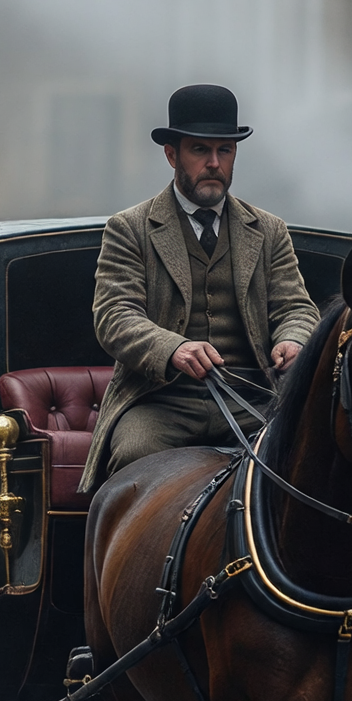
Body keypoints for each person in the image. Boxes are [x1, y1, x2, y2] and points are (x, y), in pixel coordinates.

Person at [80, 83, 321, 492]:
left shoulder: (268, 230)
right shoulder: (130, 229)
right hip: (160, 401)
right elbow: (115, 316)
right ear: (172, 155)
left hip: (253, 397)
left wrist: (295, 340)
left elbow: (296, 308)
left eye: (223, 151)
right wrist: (173, 348)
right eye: (199, 150)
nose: (213, 163)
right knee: (135, 456)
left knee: (311, 463)